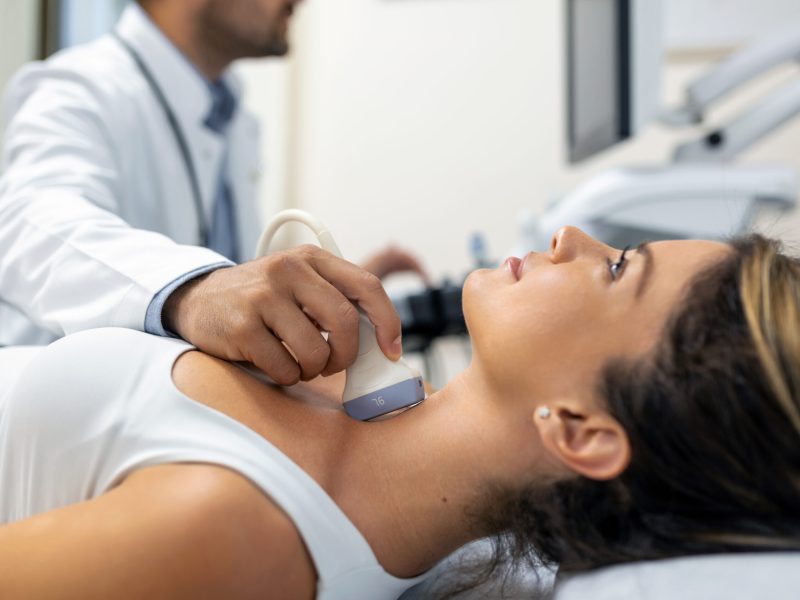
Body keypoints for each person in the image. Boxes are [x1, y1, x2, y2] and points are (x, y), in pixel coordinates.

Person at [1, 226, 799, 599]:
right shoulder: (342, 384)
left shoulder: (237, 536)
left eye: (618, 269)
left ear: (582, 430)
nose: (571, 238)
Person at [0, 0, 423, 388]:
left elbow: (236, 301)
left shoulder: (233, 119)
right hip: (69, 419)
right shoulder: (75, 90)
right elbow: (26, 226)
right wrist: (195, 291)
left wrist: (327, 305)